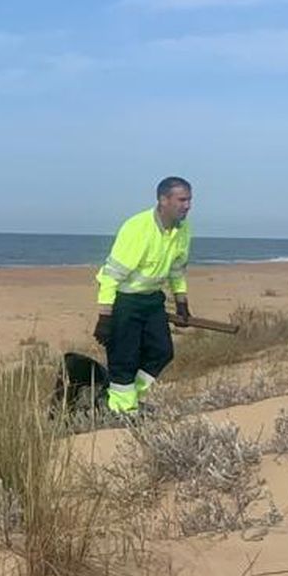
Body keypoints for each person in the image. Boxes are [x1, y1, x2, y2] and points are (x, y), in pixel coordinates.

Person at [93, 177, 193, 414]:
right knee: (124, 358)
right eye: (182, 199)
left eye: (189, 200)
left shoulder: (183, 229)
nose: (187, 205)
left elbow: (177, 268)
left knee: (162, 352)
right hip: (125, 301)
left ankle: (128, 398)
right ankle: (121, 409)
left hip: (152, 300)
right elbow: (111, 275)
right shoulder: (137, 228)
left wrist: (181, 300)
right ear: (163, 200)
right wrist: (105, 316)